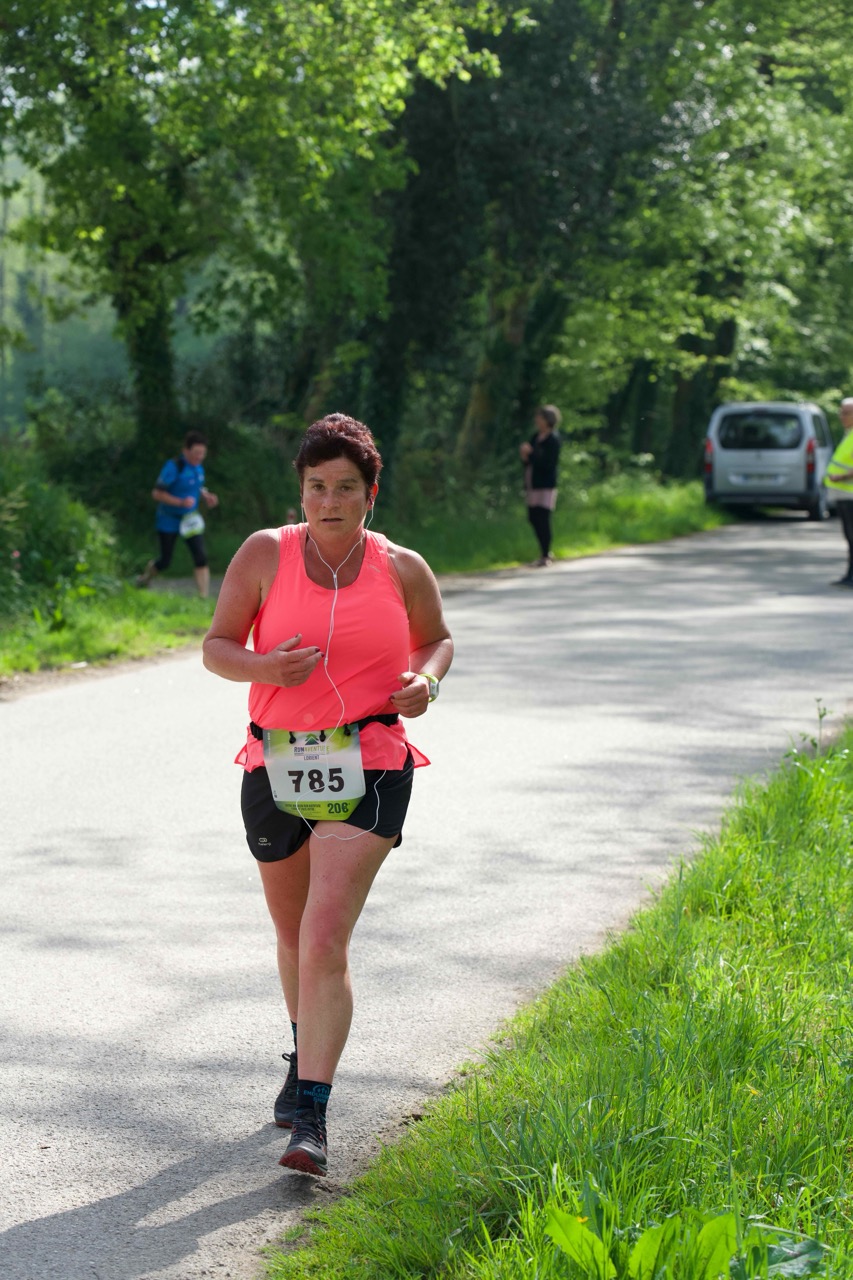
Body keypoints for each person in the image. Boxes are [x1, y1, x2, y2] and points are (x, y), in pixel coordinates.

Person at [202, 412, 453, 1178]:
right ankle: (299, 1049)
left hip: (371, 757)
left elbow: (436, 639)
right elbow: (216, 647)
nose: (330, 501)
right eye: (317, 487)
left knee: (322, 938)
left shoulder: (401, 566)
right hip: (278, 758)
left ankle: (311, 1113)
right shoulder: (264, 554)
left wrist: (426, 682)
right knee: (291, 934)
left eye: (346, 487)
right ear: (301, 491)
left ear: (371, 493)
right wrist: (261, 669)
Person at [136, 431, 219, 598]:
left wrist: (206, 496)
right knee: (165, 561)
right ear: (186, 450)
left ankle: (203, 597)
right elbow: (157, 493)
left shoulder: (198, 468)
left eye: (202, 453)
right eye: (196, 453)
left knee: (200, 556)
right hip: (168, 519)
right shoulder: (174, 467)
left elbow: (196, 486)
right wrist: (180, 502)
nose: (199, 457)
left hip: (189, 519)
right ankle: (145, 579)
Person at [520, 405, 562, 566]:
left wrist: (531, 453)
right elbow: (529, 462)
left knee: (543, 518)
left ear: (547, 419)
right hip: (532, 483)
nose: (536, 420)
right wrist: (525, 456)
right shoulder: (535, 437)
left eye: (539, 417)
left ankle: (545, 554)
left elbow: (548, 463)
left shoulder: (553, 440)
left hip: (545, 485)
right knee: (533, 517)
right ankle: (544, 551)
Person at [825, 397, 853, 587]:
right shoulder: (848, 434)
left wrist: (841, 477)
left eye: (846, 413)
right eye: (841, 412)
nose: (842, 417)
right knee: (849, 537)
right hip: (844, 495)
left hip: (850, 495)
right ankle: (850, 575)